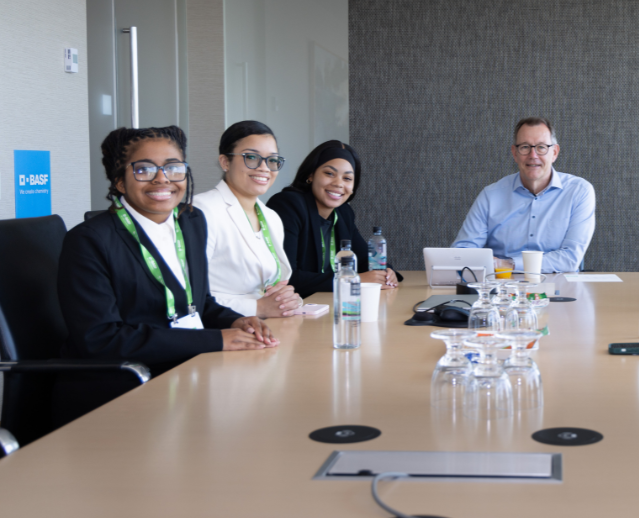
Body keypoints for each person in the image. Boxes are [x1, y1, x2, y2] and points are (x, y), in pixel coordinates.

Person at [57, 126, 279, 416]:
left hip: (187, 373)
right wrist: (217, 339)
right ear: (119, 182)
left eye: (174, 167)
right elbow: (101, 340)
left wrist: (238, 322)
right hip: (124, 392)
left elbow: (198, 303)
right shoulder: (89, 241)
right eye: (144, 169)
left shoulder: (190, 221)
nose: (162, 178)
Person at [452, 117, 595, 273]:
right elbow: (462, 253)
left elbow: (569, 259)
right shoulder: (490, 196)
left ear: (554, 153)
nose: (533, 155)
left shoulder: (579, 192)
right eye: (525, 147)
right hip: (501, 288)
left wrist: (507, 264)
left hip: (559, 288)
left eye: (541, 147)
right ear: (515, 153)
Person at [193, 121, 301, 318]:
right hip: (221, 330)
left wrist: (285, 299)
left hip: (266, 329)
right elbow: (191, 294)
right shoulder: (201, 210)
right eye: (251, 157)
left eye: (272, 160)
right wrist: (257, 308)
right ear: (225, 162)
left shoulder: (271, 217)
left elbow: (269, 288)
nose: (264, 168)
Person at [267, 140, 400, 298]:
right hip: (290, 308)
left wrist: (386, 272)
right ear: (311, 174)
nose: (338, 184)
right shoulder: (288, 205)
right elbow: (286, 277)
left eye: (347, 178)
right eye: (329, 173)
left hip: (326, 304)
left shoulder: (343, 212)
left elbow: (365, 259)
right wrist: (353, 280)